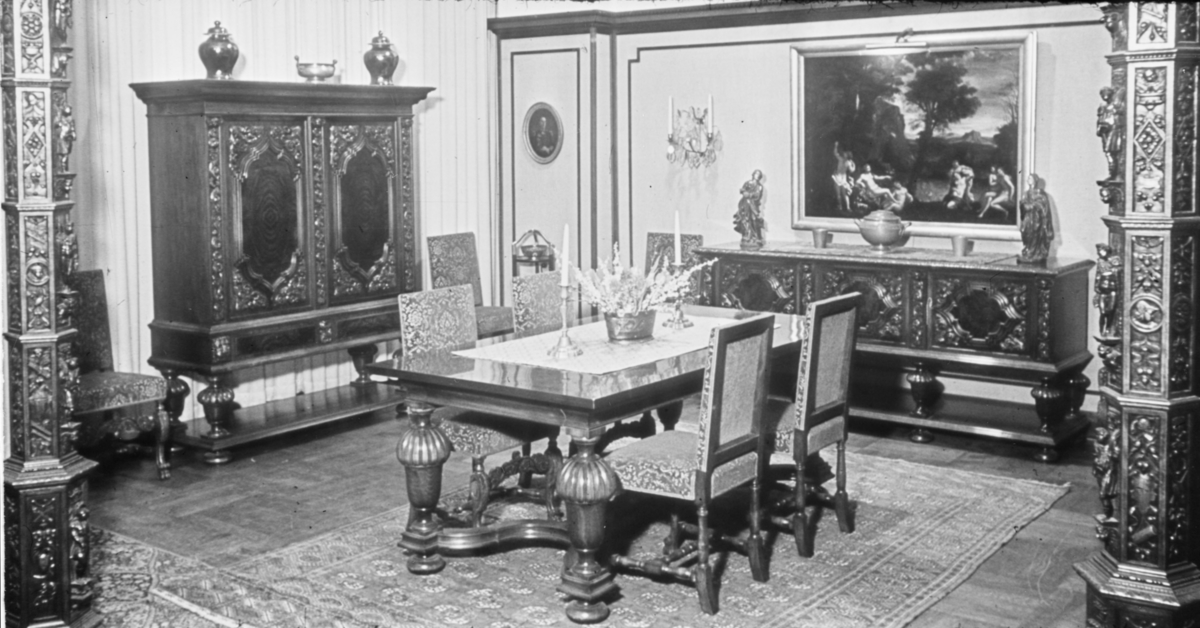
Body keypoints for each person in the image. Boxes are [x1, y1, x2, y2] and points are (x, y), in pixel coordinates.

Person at [1018, 174, 1054, 264]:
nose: (1028, 179)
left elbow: (1043, 205)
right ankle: (1028, 249)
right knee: (1025, 232)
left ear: (1035, 180)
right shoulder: (1026, 193)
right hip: (1027, 217)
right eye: (1028, 178)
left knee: (1034, 233)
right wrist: (1023, 205)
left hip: (1036, 218)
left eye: (1030, 178)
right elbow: (1022, 204)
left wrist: (1032, 206)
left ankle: (1033, 252)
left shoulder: (1040, 193)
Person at [1096, 86, 1123, 178]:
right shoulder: (1102, 107)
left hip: (1114, 130)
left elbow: (1118, 118)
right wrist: (1099, 129)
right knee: (1108, 152)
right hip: (1105, 132)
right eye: (1102, 94)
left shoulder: (1116, 106)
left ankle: (1114, 173)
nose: (1104, 96)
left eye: (1105, 93)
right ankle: (1112, 173)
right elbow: (1099, 119)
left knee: (1112, 152)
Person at [734, 170, 765, 249]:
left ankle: (756, 237)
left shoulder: (759, 186)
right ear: (753, 174)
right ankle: (747, 236)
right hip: (745, 203)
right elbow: (742, 189)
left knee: (754, 219)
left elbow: (757, 195)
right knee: (745, 218)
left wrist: (749, 194)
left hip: (753, 204)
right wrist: (743, 191)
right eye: (756, 174)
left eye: (758, 174)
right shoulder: (748, 183)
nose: (757, 176)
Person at [831, 141, 856, 214]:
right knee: (841, 194)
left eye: (845, 153)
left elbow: (835, 153)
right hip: (841, 177)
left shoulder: (842, 159)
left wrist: (836, 146)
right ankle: (844, 207)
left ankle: (846, 207)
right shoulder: (846, 161)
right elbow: (852, 170)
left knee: (841, 194)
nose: (844, 153)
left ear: (847, 155)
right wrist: (853, 164)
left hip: (839, 177)